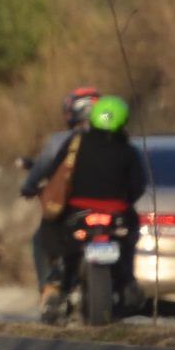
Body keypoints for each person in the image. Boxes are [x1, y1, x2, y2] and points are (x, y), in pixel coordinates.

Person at [24, 92, 148, 318]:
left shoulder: (76, 143)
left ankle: (54, 282)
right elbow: (138, 185)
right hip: (116, 213)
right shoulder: (129, 151)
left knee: (47, 233)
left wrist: (36, 189)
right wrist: (123, 202)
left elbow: (54, 173)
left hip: (77, 212)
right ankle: (128, 280)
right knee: (130, 235)